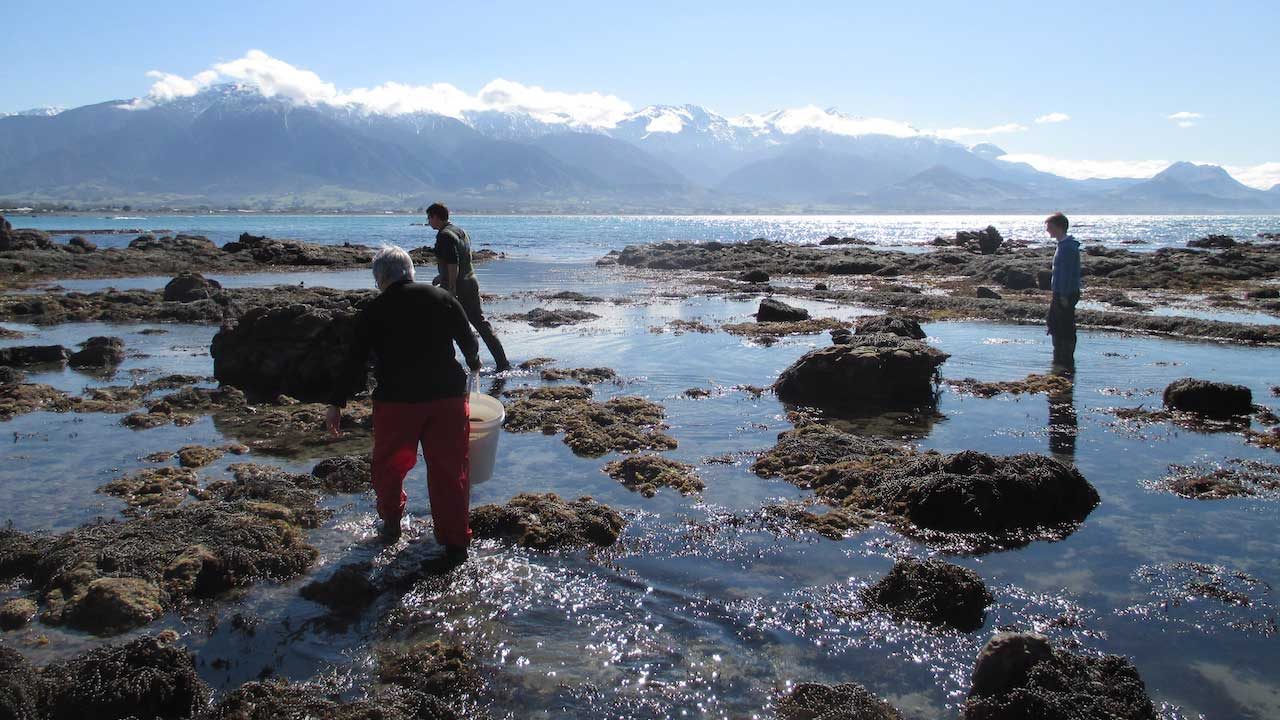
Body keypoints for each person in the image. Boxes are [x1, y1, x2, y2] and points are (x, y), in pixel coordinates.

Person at [325, 245, 480, 559]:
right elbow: (469, 342)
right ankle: (455, 542)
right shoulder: (442, 298)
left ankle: (392, 525)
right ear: (411, 271)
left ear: (380, 279)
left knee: (389, 468)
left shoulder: (374, 310)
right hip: (446, 399)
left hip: (397, 403)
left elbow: (353, 361)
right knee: (450, 471)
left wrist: (336, 403)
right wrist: (474, 363)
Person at [426, 202, 511, 372]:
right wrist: (440, 276)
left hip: (458, 286)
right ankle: (502, 363)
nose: (428, 221)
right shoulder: (461, 231)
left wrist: (450, 289)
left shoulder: (445, 235)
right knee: (480, 324)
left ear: (436, 217)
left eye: (429, 218)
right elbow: (464, 259)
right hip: (471, 280)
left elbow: (453, 263)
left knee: (445, 325)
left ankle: (450, 366)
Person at [1045, 212, 1081, 367]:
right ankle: (1058, 359)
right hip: (1060, 292)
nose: (1047, 230)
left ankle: (1065, 360)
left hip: (1065, 293)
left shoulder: (1068, 248)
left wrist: (1064, 296)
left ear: (1059, 227)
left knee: (1064, 326)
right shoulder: (1063, 245)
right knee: (1054, 324)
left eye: (1050, 227)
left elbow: (1067, 274)